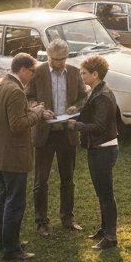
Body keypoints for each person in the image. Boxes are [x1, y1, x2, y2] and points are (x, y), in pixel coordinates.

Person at [0, 53, 48, 261]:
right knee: (15, 202)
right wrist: (37, 112)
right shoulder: (16, 91)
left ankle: (4, 241)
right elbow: (17, 124)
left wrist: (28, 109)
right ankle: (12, 249)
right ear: (22, 69)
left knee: (3, 198)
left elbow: (7, 115)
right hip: (14, 155)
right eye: (32, 71)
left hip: (0, 153)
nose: (33, 75)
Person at [27, 39, 85, 236]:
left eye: (61, 59)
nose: (58, 63)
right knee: (41, 181)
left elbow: (83, 97)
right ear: (48, 55)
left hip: (67, 133)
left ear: (67, 57)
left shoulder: (75, 73)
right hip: (45, 132)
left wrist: (76, 107)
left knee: (67, 178)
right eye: (54, 59)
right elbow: (28, 97)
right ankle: (41, 222)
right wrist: (40, 111)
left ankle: (67, 217)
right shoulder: (39, 72)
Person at [66, 55, 119, 250]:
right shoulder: (95, 91)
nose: (81, 76)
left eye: (84, 73)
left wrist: (75, 125)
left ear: (95, 74)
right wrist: (77, 111)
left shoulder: (103, 95)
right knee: (101, 192)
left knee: (106, 194)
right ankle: (105, 230)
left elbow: (99, 126)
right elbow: (92, 113)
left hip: (103, 149)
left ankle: (111, 237)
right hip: (97, 148)